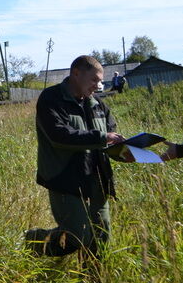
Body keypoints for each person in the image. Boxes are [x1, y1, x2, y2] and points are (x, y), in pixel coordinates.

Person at [25, 55, 125, 257]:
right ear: (76, 74)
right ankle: (31, 242)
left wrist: (123, 153)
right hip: (64, 177)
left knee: (101, 236)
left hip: (97, 177)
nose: (98, 85)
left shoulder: (98, 104)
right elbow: (58, 136)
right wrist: (103, 137)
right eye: (94, 80)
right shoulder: (52, 99)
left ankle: (94, 276)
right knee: (78, 236)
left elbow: (110, 138)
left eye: (100, 81)